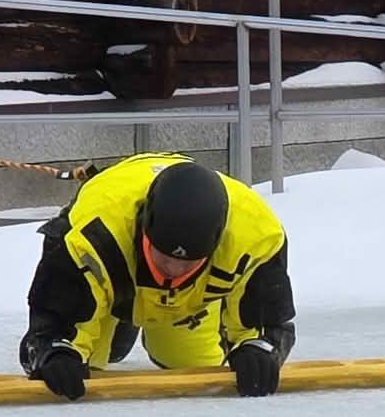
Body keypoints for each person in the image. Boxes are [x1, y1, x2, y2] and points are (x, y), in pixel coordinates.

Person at [19, 153, 296, 400]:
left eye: (188, 264)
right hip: (111, 280)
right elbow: (48, 327)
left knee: (194, 367)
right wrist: (54, 350)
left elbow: (269, 323)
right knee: (83, 364)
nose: (174, 271)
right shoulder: (92, 237)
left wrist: (259, 348)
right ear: (144, 233)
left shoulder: (256, 238)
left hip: (192, 300)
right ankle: (116, 316)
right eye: (163, 258)